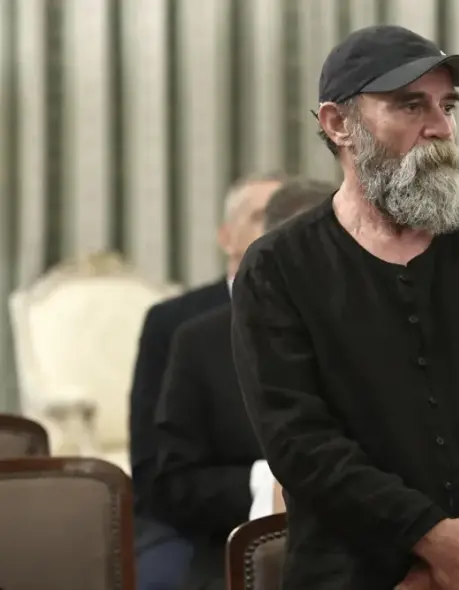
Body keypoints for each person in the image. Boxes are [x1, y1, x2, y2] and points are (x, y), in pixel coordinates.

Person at [230, 24, 459, 590]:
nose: (441, 127)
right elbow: (299, 442)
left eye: (447, 105)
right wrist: (433, 541)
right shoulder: (278, 267)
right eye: (410, 105)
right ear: (338, 124)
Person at [151, 179, 333, 590]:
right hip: (231, 563)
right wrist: (268, 482)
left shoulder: (384, 334)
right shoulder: (199, 342)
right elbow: (173, 488)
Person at [129, 172, 284, 590]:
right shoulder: (177, 325)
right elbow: (154, 468)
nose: (277, 229)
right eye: (261, 216)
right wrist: (268, 486)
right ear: (226, 237)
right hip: (196, 526)